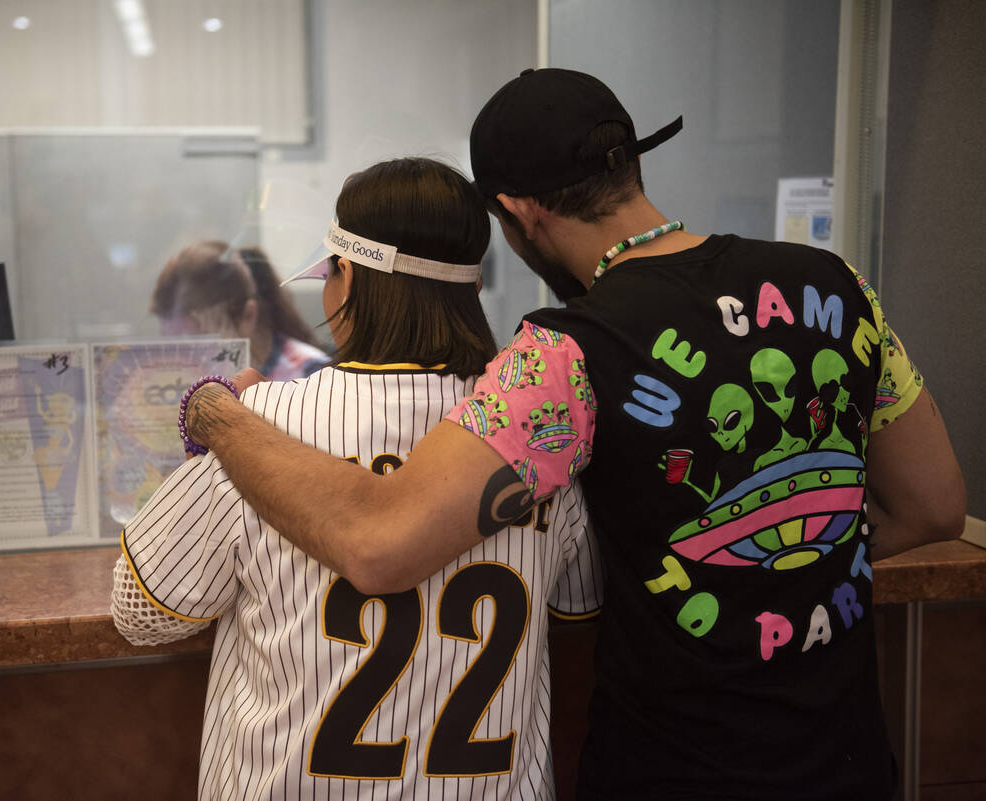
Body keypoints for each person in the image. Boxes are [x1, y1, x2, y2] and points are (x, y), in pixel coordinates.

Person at [177, 69, 967, 800]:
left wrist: (219, 415)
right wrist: (790, 553)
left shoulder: (566, 352)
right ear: (630, 166)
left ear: (521, 213)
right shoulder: (836, 283)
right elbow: (934, 504)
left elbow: (379, 541)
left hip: (677, 772)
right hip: (848, 765)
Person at [113, 157, 602, 800]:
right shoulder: (538, 439)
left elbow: (141, 613)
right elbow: (578, 613)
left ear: (347, 281)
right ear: (472, 288)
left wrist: (212, 421)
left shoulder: (258, 429)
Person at [150, 240, 329, 379]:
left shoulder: (309, 375)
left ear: (248, 316)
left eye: (198, 345)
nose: (183, 360)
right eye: (173, 347)